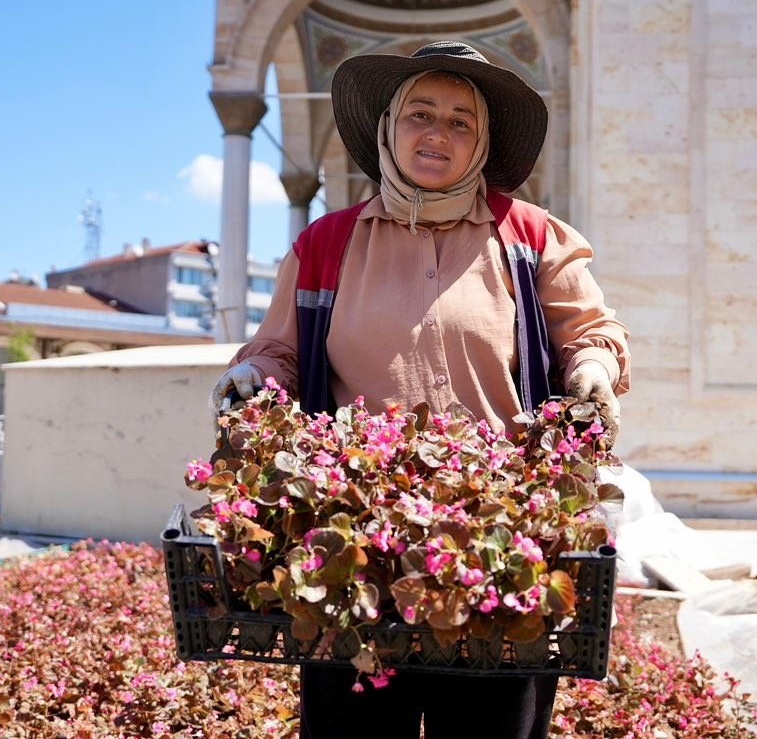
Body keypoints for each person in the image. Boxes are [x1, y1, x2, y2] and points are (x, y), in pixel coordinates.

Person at [210, 41, 630, 739]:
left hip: (503, 552)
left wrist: (591, 366)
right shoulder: (326, 244)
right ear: (388, 128)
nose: (438, 133)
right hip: (356, 555)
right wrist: (252, 375)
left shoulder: (531, 235)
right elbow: (277, 348)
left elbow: (587, 329)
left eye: (462, 121)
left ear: (483, 142)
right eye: (420, 114)